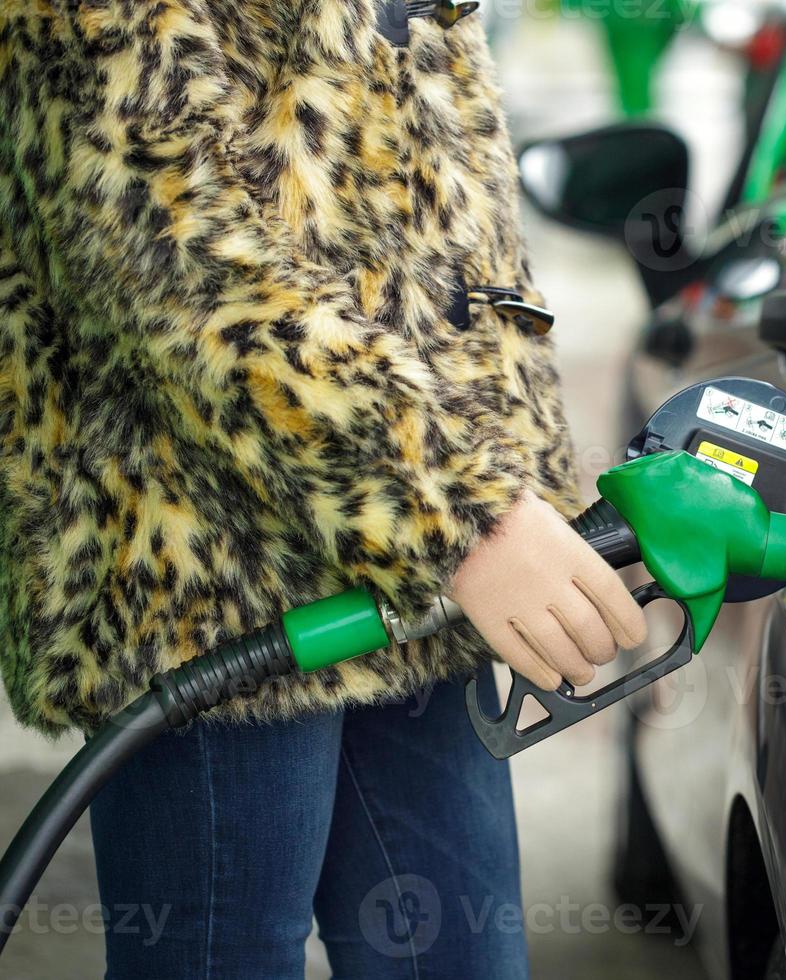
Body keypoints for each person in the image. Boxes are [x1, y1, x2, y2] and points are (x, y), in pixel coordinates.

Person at [0, 0, 647, 976]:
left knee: (462, 954)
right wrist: (464, 517)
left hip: (414, 586)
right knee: (226, 955)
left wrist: (495, 497)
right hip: (208, 573)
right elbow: (183, 276)